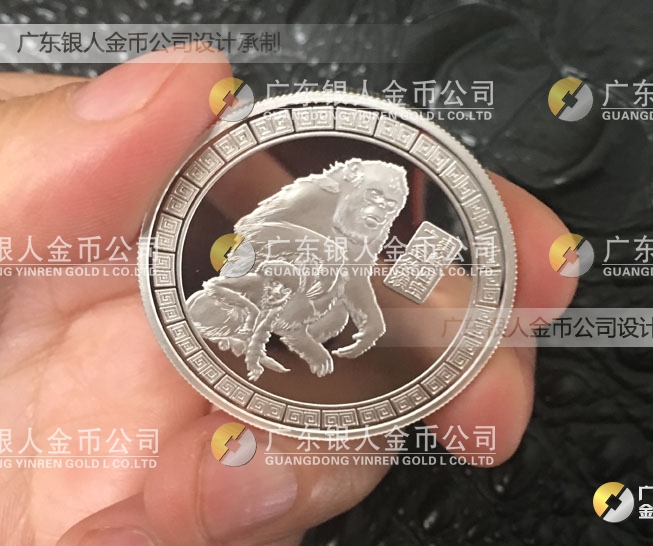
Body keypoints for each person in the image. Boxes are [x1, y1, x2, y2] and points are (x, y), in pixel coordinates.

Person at [0, 44, 576, 546]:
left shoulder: (356, 236)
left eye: (390, 210)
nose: (379, 216)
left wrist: (370, 324)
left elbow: (356, 278)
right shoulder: (297, 212)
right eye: (375, 204)